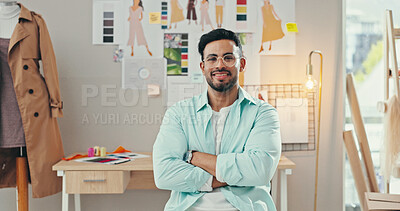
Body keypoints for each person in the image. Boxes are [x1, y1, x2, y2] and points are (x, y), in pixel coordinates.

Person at [153, 28, 281, 211]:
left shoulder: (263, 113)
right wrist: (234, 174)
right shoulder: (179, 114)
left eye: (228, 58)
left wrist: (193, 157)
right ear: (203, 67)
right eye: (212, 58)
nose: (219, 65)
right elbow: (164, 174)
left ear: (242, 64)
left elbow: (259, 171)